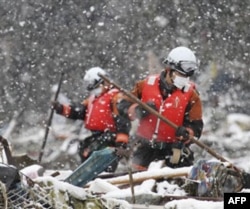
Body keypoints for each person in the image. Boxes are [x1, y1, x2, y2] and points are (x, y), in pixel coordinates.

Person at [117, 46, 204, 171]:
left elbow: (196, 126)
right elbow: (122, 105)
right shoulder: (145, 85)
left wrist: (186, 133)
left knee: (175, 185)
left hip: (173, 151)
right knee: (136, 184)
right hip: (144, 149)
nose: (184, 79)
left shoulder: (191, 95)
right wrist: (137, 110)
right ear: (169, 69)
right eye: (180, 74)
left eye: (187, 77)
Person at [51, 67, 130, 172]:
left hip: (110, 137)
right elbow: (78, 111)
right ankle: (88, 175)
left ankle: (103, 175)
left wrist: (121, 144)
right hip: (96, 135)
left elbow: (123, 122)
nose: (89, 87)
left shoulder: (116, 97)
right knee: (84, 149)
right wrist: (61, 108)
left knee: (98, 154)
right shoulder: (93, 99)